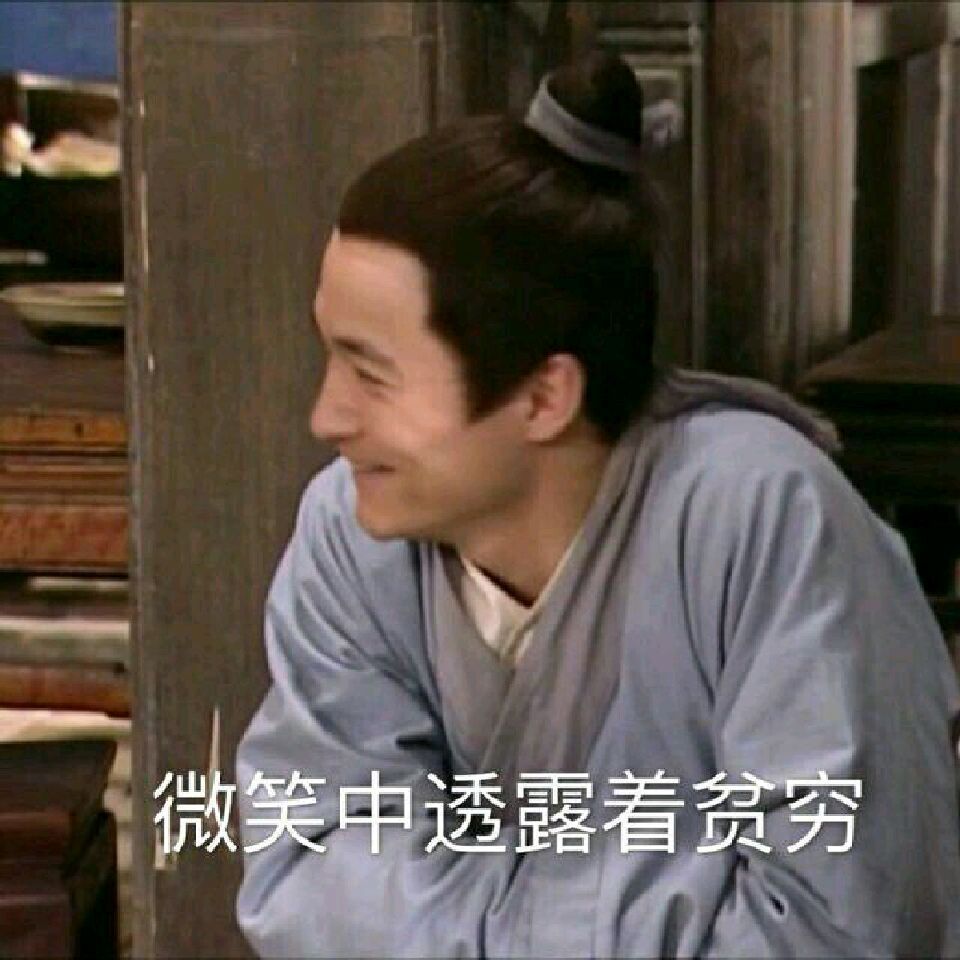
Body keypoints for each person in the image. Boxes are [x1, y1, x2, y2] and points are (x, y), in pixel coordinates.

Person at [235, 53, 960, 958]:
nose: (327, 417)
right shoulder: (350, 530)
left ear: (545, 396)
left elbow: (839, 924)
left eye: (371, 374)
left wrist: (458, 906)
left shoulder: (759, 517)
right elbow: (307, 870)